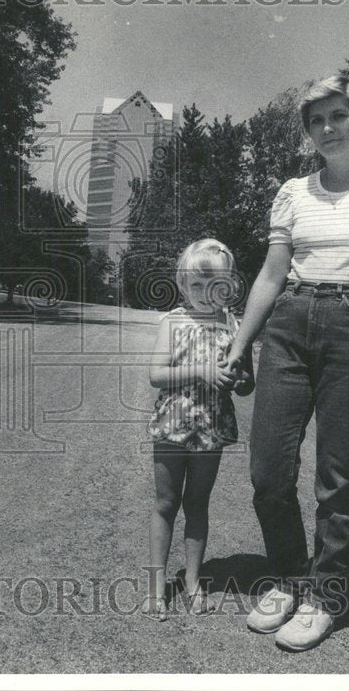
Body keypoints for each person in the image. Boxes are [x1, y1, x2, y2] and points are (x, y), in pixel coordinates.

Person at [225, 75, 349, 650]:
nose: (327, 128)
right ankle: (290, 577)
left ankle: (326, 595)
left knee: (337, 475)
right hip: (289, 323)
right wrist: (241, 344)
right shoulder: (292, 192)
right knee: (268, 469)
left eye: (338, 116)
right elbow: (270, 274)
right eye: (316, 120)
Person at [143, 239, 255, 620]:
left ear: (228, 287)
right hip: (173, 424)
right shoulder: (173, 322)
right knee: (165, 502)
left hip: (211, 425)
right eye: (195, 286)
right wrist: (202, 371)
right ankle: (157, 584)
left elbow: (247, 382)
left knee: (198, 504)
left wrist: (237, 378)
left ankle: (192, 579)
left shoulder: (235, 325)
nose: (205, 295)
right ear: (182, 285)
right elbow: (157, 375)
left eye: (215, 286)